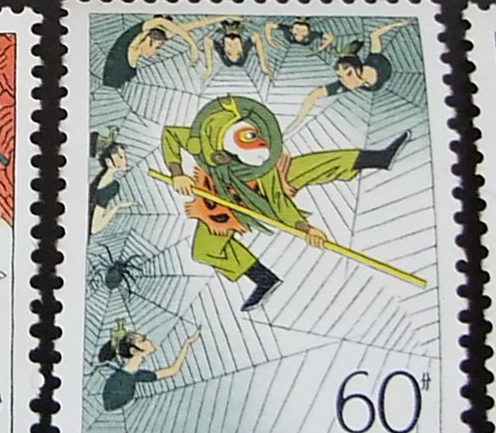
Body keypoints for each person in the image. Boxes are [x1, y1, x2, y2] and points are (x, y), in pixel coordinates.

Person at [162, 96, 408, 311]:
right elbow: (171, 135)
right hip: (225, 202)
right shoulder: (203, 139)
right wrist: (177, 173)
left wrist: (305, 228)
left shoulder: (264, 168)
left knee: (307, 167)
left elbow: (279, 203)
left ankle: (378, 158)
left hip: (264, 189)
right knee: (205, 250)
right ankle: (264, 280)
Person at [286, 20, 401, 133]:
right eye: (340, 76)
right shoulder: (348, 83)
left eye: (349, 73)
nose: (345, 80)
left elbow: (374, 35)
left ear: (358, 69)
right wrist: (297, 120)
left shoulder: (374, 61)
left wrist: (396, 24)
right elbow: (315, 94)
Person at [96, 326, 199, 411]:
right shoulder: (120, 379)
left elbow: (173, 370)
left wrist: (187, 344)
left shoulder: (136, 374)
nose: (149, 341)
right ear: (133, 351)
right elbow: (109, 406)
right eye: (143, 340)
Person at [100, 16, 216, 89]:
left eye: (157, 48)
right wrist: (192, 45)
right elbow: (159, 21)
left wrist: (222, 17)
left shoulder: (152, 37)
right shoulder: (131, 43)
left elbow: (187, 27)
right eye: (153, 46)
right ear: (146, 37)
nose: (153, 53)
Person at [89, 129, 135, 234]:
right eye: (121, 157)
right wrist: (117, 207)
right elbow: (94, 228)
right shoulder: (108, 186)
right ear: (108, 161)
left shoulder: (103, 181)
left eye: (124, 157)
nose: (125, 161)